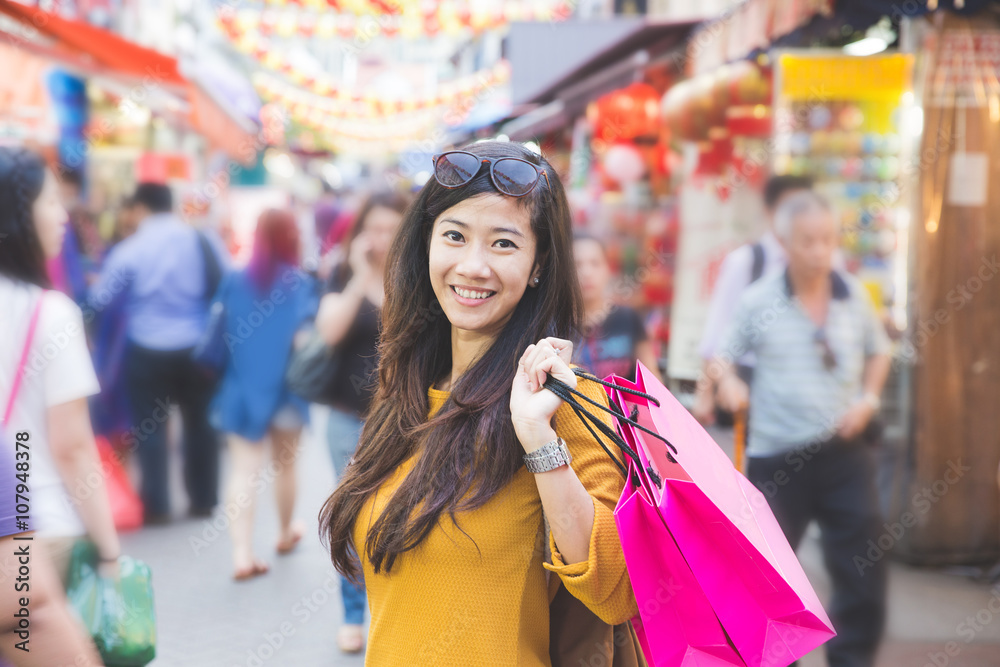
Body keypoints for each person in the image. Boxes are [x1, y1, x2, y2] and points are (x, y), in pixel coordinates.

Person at [320, 142, 638, 666]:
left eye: (504, 244)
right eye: (454, 236)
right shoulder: (403, 389)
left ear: (539, 265)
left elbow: (615, 590)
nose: (473, 266)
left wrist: (539, 440)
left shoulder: (564, 401)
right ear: (426, 245)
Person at [706, 191, 891, 667]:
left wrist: (868, 400)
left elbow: (879, 350)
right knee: (771, 578)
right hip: (776, 457)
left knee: (862, 570)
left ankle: (851, 659)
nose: (819, 251)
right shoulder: (759, 299)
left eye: (827, 240)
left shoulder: (852, 293)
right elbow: (719, 358)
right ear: (784, 242)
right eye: (807, 241)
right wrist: (727, 384)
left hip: (845, 452)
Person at [0, 146, 118, 666]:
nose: (63, 215)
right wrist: (111, 550)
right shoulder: (50, 313)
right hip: (39, 528)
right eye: (50, 201)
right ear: (18, 214)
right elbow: (71, 447)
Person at [89, 182, 229, 524]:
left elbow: (101, 300)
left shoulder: (130, 249)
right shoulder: (202, 239)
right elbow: (226, 283)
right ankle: (203, 500)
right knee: (200, 423)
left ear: (139, 208)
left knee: (149, 428)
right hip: (197, 349)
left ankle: (158, 505)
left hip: (146, 349)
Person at [313, 190, 408, 653]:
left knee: (396, 514)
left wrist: (389, 278)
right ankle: (353, 614)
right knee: (350, 517)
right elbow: (328, 331)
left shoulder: (416, 275)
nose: (382, 238)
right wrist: (361, 276)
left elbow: (406, 331)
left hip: (404, 418)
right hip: (348, 418)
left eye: (392, 229)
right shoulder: (344, 273)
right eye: (374, 228)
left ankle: (394, 610)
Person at [209, 209, 317, 581]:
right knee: (286, 466)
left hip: (241, 391)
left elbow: (219, 332)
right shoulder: (300, 284)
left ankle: (242, 554)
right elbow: (305, 341)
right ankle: (285, 533)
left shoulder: (236, 279)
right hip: (286, 393)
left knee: (243, 470)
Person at [693, 174, 814, 425]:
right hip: (746, 390)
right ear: (770, 212)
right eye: (788, 208)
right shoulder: (746, 262)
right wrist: (704, 395)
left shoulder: (822, 265)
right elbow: (717, 332)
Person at [572, 233, 664, 384]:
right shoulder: (554, 323)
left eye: (595, 263)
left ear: (607, 270)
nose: (587, 273)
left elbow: (652, 378)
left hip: (622, 407)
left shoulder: (628, 317)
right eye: (577, 265)